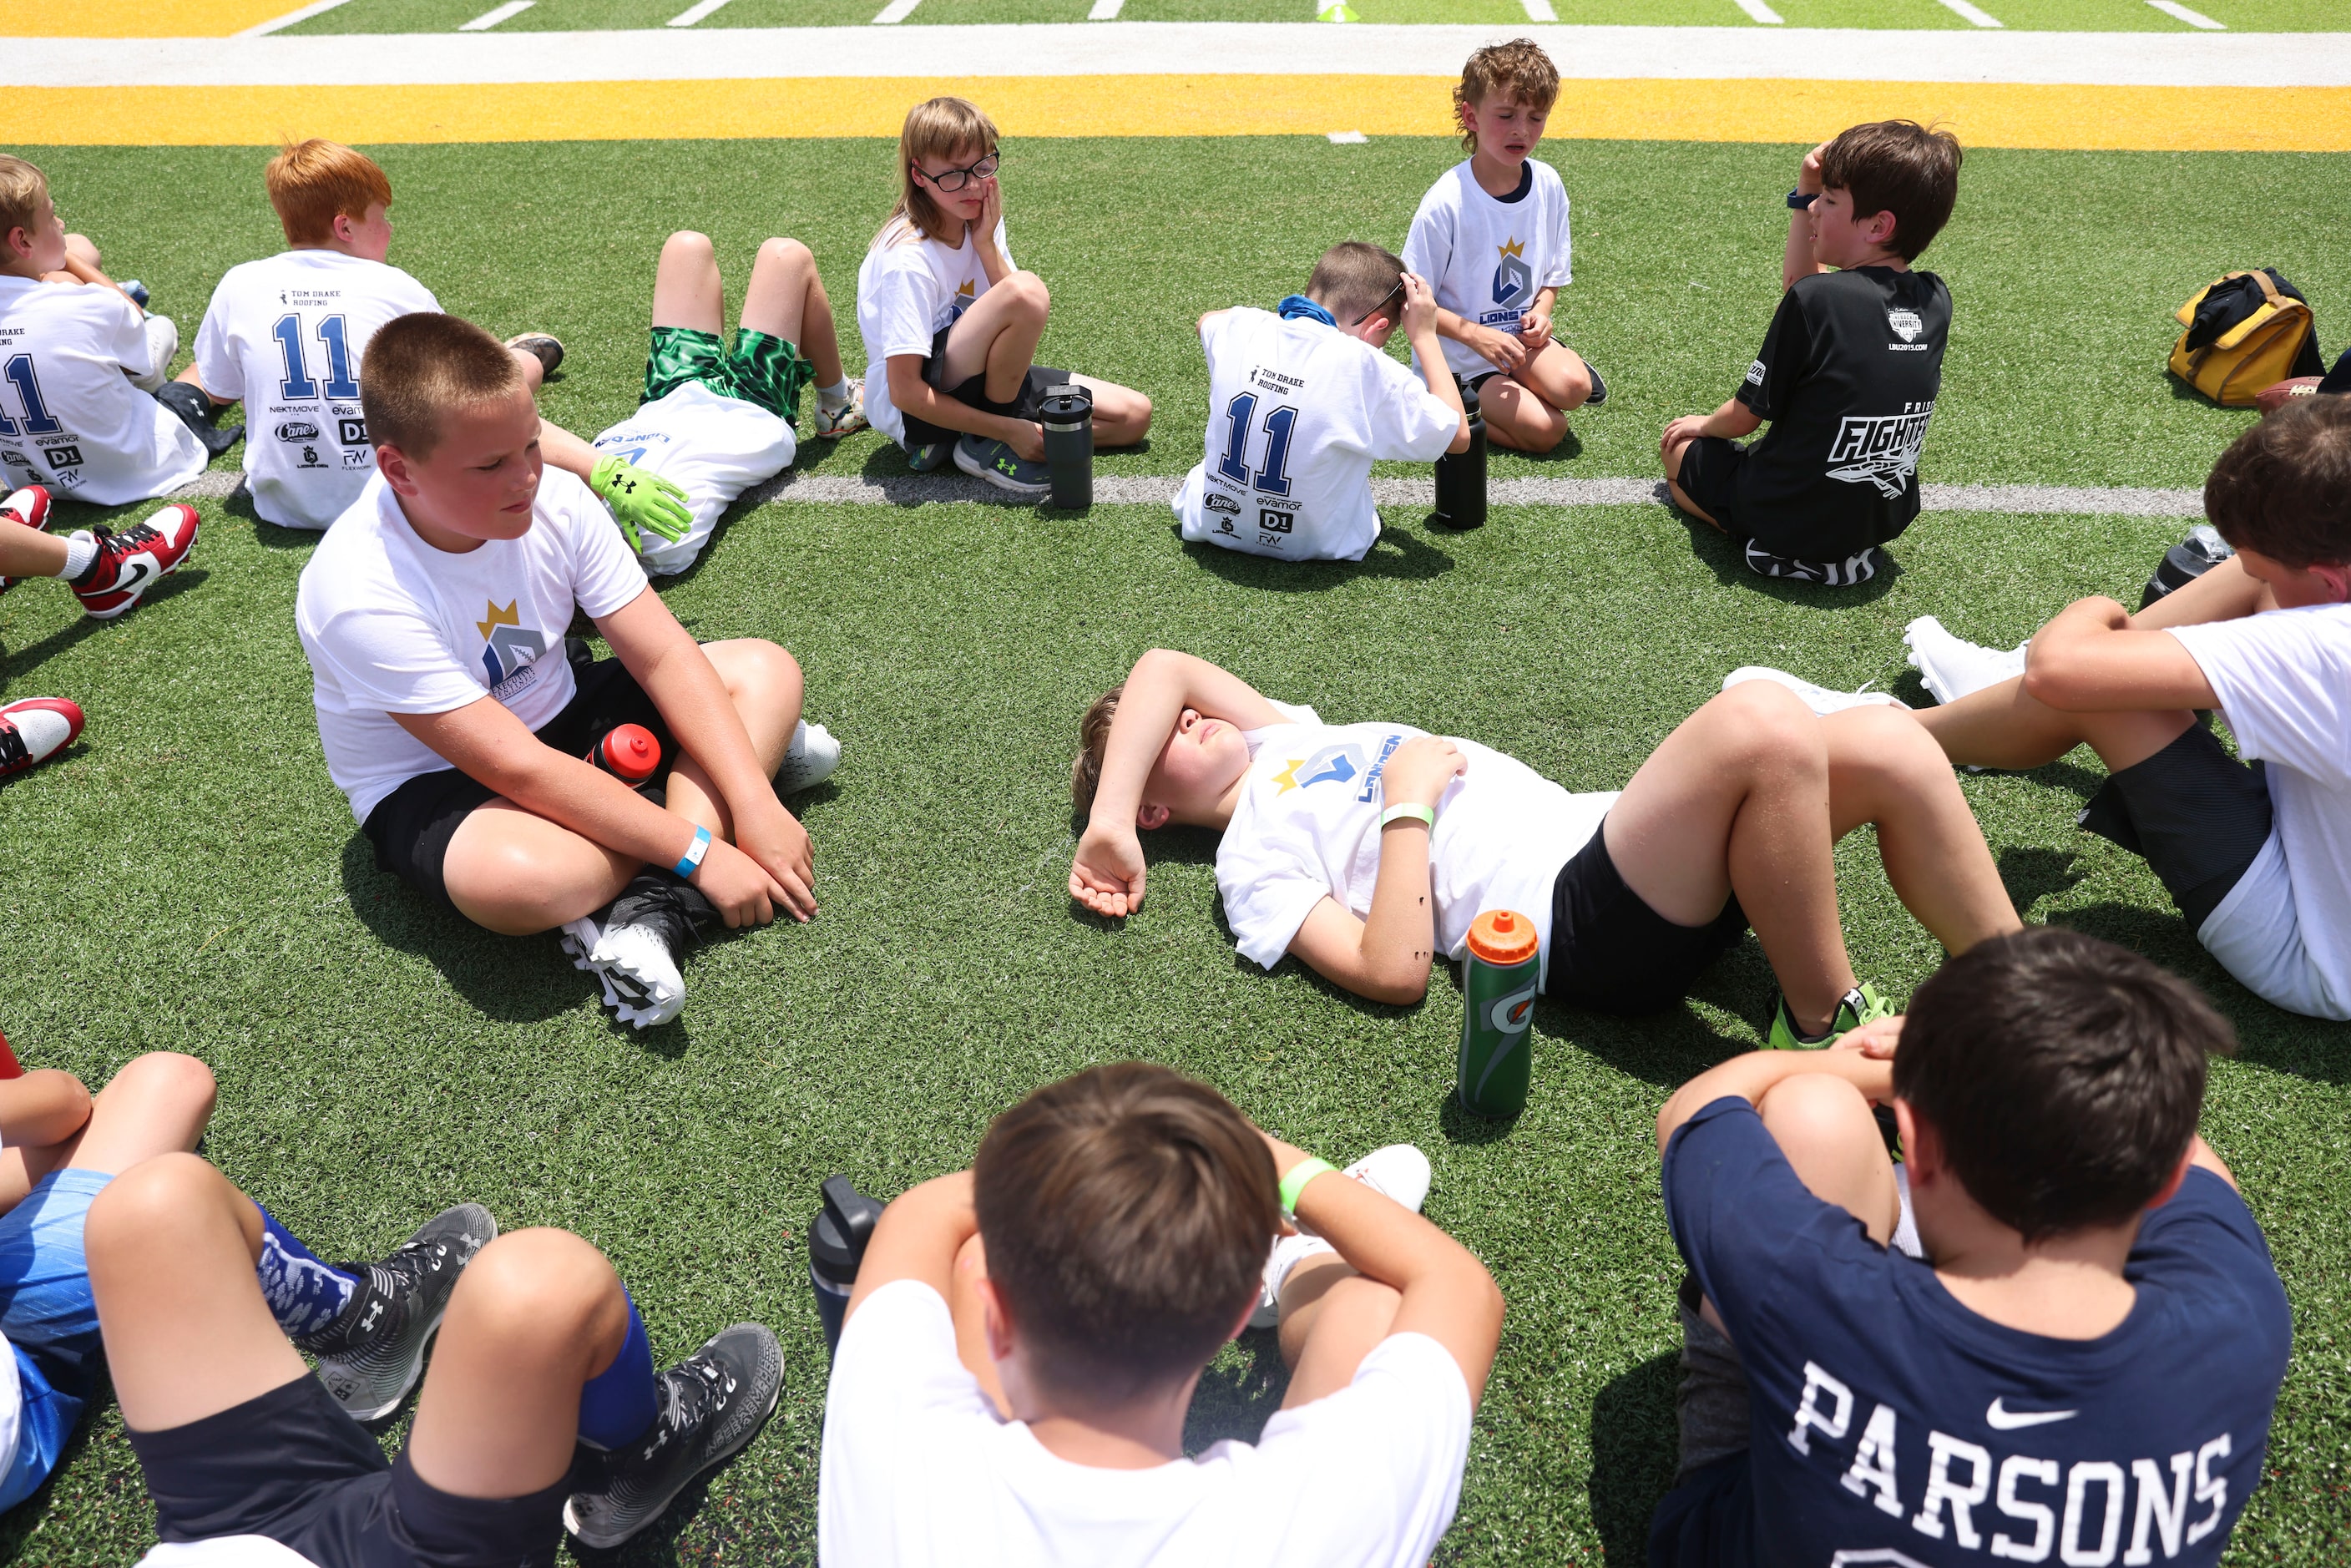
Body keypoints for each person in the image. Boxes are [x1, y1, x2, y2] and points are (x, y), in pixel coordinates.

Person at [1647, 926, 2291, 1568]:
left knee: (1811, 1110)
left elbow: (1696, 1107)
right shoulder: (2239, 1327)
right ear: (2165, 1179)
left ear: (1916, 1144)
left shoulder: (1822, 1297)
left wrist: (1870, 1067)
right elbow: (2197, 1162)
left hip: (1733, 1526)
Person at [295, 311, 827, 1029]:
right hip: (442, 782)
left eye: (533, 445)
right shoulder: (355, 590)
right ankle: (691, 793)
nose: (527, 479)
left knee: (764, 670)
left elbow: (663, 651)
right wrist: (703, 850)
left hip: (567, 711)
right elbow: (516, 768)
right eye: (490, 465)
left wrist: (756, 807)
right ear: (398, 469)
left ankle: (650, 907)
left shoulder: (557, 497)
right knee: (523, 884)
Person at [1066, 649, 2020, 1047]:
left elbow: (1160, 667)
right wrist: (1407, 808)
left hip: (1622, 844)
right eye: (1156, 745)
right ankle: (1821, 1027)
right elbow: (1390, 971)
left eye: (1181, 719)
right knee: (1762, 721)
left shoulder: (1288, 736)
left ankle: (2028, 1002)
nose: (1183, 717)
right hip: (1570, 919)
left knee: (1888, 736)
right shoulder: (1248, 866)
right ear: (1157, 811)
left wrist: (1106, 817)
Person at [818, 1060, 1503, 1565]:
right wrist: (1271, 1166)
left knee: (966, 1246)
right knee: (1373, 1303)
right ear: (1234, 1314)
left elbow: (917, 1218)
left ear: (998, 1316)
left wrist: (1069, 1178)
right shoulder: (1318, 1529)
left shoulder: (896, 1450)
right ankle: (1294, 1263)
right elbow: (1456, 1285)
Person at [1880, 398, 2351, 1021]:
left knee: (2100, 691)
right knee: (2241, 591)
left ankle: (1890, 737)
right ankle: (1988, 697)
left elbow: (2063, 671)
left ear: (2332, 585)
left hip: (2312, 951)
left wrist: (2097, 612)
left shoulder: (2329, 646)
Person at [93, 1155, 780, 1565]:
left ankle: (364, 1324)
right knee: (542, 1289)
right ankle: (634, 1457)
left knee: (151, 1209)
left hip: (215, 1540)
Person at [0, 1050, 498, 1517]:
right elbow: (64, 1101)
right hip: (18, 1388)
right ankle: (365, 1323)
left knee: (169, 1082)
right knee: (171, 1203)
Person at [179, 139, 554, 531]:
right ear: (345, 226)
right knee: (507, 373)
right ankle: (528, 354)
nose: (389, 228)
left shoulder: (240, 283)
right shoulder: (394, 286)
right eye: (382, 217)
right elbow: (457, 385)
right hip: (390, 494)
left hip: (281, 505)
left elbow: (220, 389)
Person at [1661, 120, 1961, 588]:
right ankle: (1835, 549)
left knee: (1681, 453)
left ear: (1879, 226)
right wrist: (1809, 189)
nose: (1816, 209)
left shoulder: (1815, 300)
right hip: (1880, 517)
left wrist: (1700, 425)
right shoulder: (1935, 298)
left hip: (1786, 508)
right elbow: (1814, 292)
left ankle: (1776, 544)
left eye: (1830, 200)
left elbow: (1744, 418)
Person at [856, 96, 1151, 500]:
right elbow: (904, 391)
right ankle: (986, 440)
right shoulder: (906, 258)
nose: (974, 185)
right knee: (1026, 291)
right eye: (954, 175)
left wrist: (985, 247)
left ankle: (974, 437)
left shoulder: (977, 217)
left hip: (985, 382)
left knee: (1133, 417)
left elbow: (1017, 324)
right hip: (916, 413)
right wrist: (1009, 429)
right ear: (920, 176)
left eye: (982, 166)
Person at [546, 227, 867, 578]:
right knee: (787, 257)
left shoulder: (545, 519)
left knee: (685, 247)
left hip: (669, 396)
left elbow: (531, 433)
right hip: (751, 406)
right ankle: (838, 403)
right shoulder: (659, 546)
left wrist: (607, 477)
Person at [1176, 242, 1466, 563]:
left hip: (1212, 522)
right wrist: (1425, 336)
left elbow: (1206, 320)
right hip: (1317, 543)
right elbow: (1457, 437)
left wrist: (1300, 318)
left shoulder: (1241, 327)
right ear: (1377, 327)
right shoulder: (1364, 364)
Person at [1400, 39, 1601, 457]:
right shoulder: (1447, 200)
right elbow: (1412, 302)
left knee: (1574, 387)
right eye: (1506, 115)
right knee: (1549, 430)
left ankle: (1539, 376)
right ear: (1470, 116)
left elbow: (1552, 276)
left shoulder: (1547, 184)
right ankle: (1448, 401)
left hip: (1516, 344)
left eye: (1536, 117)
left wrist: (1542, 314)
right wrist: (1477, 337)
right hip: (1465, 358)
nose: (1522, 130)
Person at [0, 156, 208, 507]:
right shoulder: (93, 305)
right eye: (52, 217)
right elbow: (135, 325)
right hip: (138, 468)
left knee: (68, 261)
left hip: (29, 482)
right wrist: (66, 259)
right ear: (21, 240)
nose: (60, 222)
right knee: (167, 334)